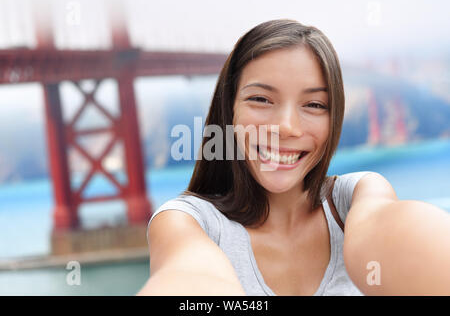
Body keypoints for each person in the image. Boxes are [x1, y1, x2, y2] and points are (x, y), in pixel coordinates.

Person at [138, 19, 450, 296]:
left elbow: (394, 236)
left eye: (314, 105)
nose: (286, 127)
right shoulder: (186, 222)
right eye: (261, 99)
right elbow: (190, 276)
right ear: (228, 110)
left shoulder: (357, 198)